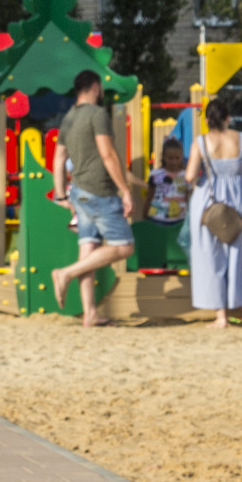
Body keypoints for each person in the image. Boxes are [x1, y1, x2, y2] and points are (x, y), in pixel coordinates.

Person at [48, 70, 138, 328]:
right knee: (124, 247)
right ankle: (65, 273)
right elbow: (108, 154)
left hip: (78, 192)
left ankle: (90, 314)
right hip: (100, 191)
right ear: (96, 87)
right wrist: (125, 190)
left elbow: (58, 158)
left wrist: (61, 194)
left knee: (88, 250)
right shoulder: (98, 115)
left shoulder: (69, 118)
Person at [186, 96, 242, 330]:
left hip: (208, 204)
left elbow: (190, 176)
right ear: (228, 117)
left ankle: (221, 317)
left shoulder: (201, 142)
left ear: (208, 120)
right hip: (236, 202)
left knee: (211, 258)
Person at [148, 137, 189, 224]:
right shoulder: (156, 175)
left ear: (181, 157)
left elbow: (188, 197)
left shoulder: (186, 176)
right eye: (170, 158)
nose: (174, 162)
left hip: (180, 219)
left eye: (177, 158)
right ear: (164, 157)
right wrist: (145, 215)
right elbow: (149, 196)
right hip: (157, 218)